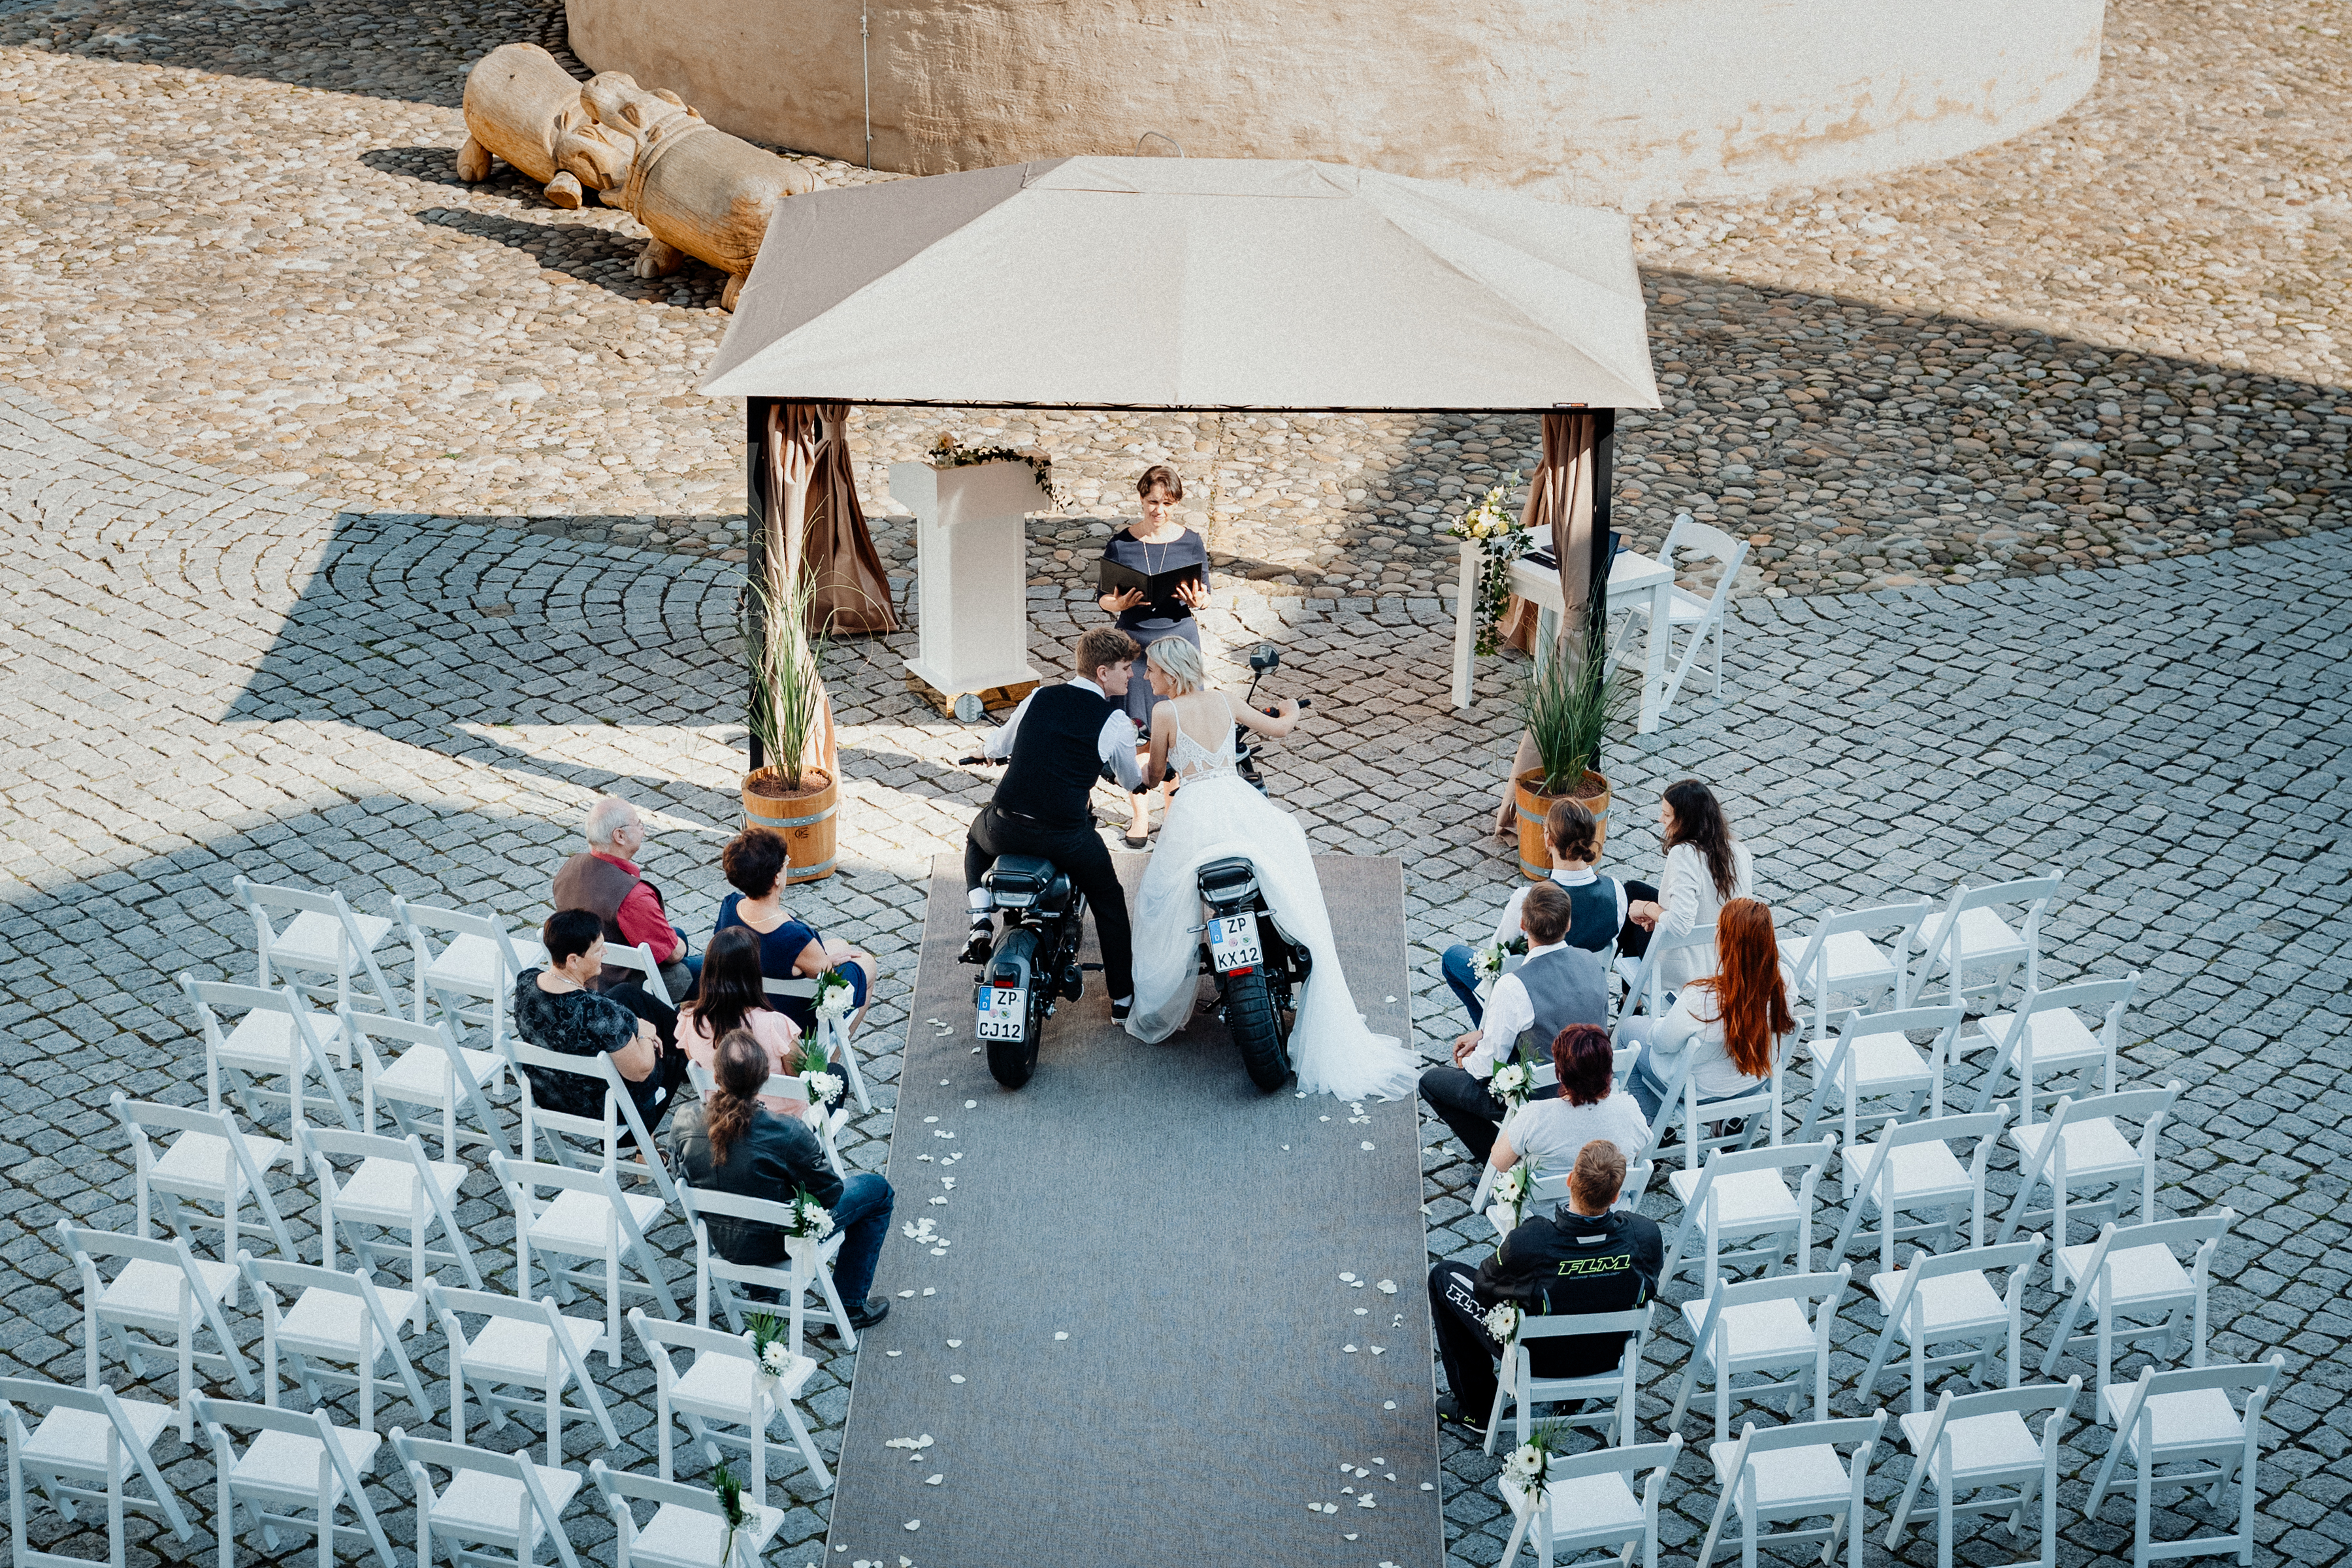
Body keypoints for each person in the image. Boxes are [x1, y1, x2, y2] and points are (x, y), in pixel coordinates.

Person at [1121, 636, 1420, 1098]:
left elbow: (1158, 776)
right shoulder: (1224, 700)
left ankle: (1161, 991)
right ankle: (1293, 936)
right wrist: (1290, 709)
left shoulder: (1164, 715)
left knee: (1158, 901)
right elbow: (1279, 730)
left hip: (1194, 818)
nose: (1146, 676)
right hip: (1241, 806)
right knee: (1288, 855)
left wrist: (1139, 774)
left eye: (1152, 671)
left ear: (1170, 672)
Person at [964, 627, 1148, 1017]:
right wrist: (1148, 779)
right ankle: (1122, 998)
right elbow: (1131, 779)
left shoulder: (1038, 696)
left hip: (1006, 827)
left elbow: (999, 745)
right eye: (1126, 668)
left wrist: (983, 753)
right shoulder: (1115, 722)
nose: (1131, 675)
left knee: (975, 840)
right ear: (1103, 672)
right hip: (1066, 837)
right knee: (1109, 900)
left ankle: (981, 920)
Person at [1428, 1140, 1663, 1435]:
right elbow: (1648, 1287)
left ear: (1569, 1180)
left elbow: (1484, 1288)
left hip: (1537, 1359)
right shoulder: (1646, 1235)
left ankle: (1477, 1410)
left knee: (1442, 1276)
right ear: (1616, 1196)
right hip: (1604, 1357)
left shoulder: (1532, 1241)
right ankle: (1571, 1400)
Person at [669, 1028, 894, 1331]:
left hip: (724, 1242)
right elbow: (828, 1194)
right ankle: (850, 1306)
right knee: (878, 1192)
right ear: (763, 1079)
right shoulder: (788, 1132)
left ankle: (763, 1294)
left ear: (716, 1077)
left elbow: (678, 1172)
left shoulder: (684, 1119)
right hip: (779, 1244)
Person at [1417, 882, 1609, 1164]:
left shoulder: (1513, 985)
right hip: (1592, 1083)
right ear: (1568, 924)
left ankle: (1499, 1163)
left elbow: (1484, 1067)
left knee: (1431, 1083)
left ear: (1522, 924)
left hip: (1542, 1099)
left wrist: (1467, 1060)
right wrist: (1484, 1034)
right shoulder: (1591, 962)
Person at [1097, 465, 1211, 847]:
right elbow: (1104, 598)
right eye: (1151, 502)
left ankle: (1175, 813)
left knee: (1177, 730)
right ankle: (1140, 816)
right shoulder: (1121, 544)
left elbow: (1205, 592)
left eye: (1166, 503)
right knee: (1135, 732)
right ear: (1141, 499)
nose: (1158, 510)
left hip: (1178, 643)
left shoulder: (1191, 541)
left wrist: (1199, 600)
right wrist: (1119, 603)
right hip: (1133, 642)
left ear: (1175, 502)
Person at [1439, 797, 1627, 1024]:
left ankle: (1487, 1034)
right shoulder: (1616, 892)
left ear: (1548, 839)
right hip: (1584, 994)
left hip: (1536, 998)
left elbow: (1497, 960)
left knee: (1452, 958)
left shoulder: (1529, 901)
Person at [1620, 898, 1795, 1127]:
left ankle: (1651, 1124)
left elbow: (1662, 1045)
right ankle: (1721, 1124)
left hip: (1700, 1090)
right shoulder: (1785, 981)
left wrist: (1661, 1024)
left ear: (1726, 942)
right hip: (1755, 1080)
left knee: (1628, 1030)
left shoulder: (1701, 997)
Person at [512, 908, 689, 1133]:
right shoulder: (600, 1014)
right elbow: (641, 1071)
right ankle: (700, 1051)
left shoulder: (526, 983)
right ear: (573, 960)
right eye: (597, 950)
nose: (605, 952)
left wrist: (630, 1021)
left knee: (626, 994)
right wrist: (644, 1031)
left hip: (553, 1095)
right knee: (672, 1052)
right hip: (609, 1108)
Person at [710, 826, 877, 1038]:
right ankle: (829, 1060)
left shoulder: (729, 907)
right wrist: (823, 962)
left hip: (748, 1001)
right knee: (867, 962)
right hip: (790, 1017)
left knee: (840, 945)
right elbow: (830, 985)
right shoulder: (794, 938)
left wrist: (821, 959)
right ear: (776, 878)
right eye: (785, 864)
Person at [550, 794, 698, 1000]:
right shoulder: (633, 897)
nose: (643, 830)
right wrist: (677, 945)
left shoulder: (568, 869)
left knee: (678, 934)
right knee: (713, 966)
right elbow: (672, 954)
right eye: (638, 824)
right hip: (624, 988)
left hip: (583, 972)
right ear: (619, 836)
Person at [1616, 779, 1754, 1000]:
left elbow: (1681, 925)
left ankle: (1618, 996)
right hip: (1726, 956)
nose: (1660, 820)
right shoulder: (1740, 851)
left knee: (1633, 906)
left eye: (1667, 815)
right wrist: (1656, 913)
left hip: (1689, 965)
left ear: (1686, 821)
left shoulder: (1684, 854)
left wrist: (1649, 909)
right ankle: (1628, 1002)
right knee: (1634, 890)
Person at [678, 926, 818, 1117]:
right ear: (753, 974)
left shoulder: (690, 1019)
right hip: (781, 1122)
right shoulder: (774, 1025)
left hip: (723, 1117)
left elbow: (693, 1059)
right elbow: (803, 1078)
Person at [1487, 1024, 1651, 1180]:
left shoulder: (1535, 1115)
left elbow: (1499, 1162)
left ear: (1560, 1074)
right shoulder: (1629, 1110)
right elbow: (1638, 1151)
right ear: (1609, 1070)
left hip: (1547, 1209)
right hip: (1614, 1206)